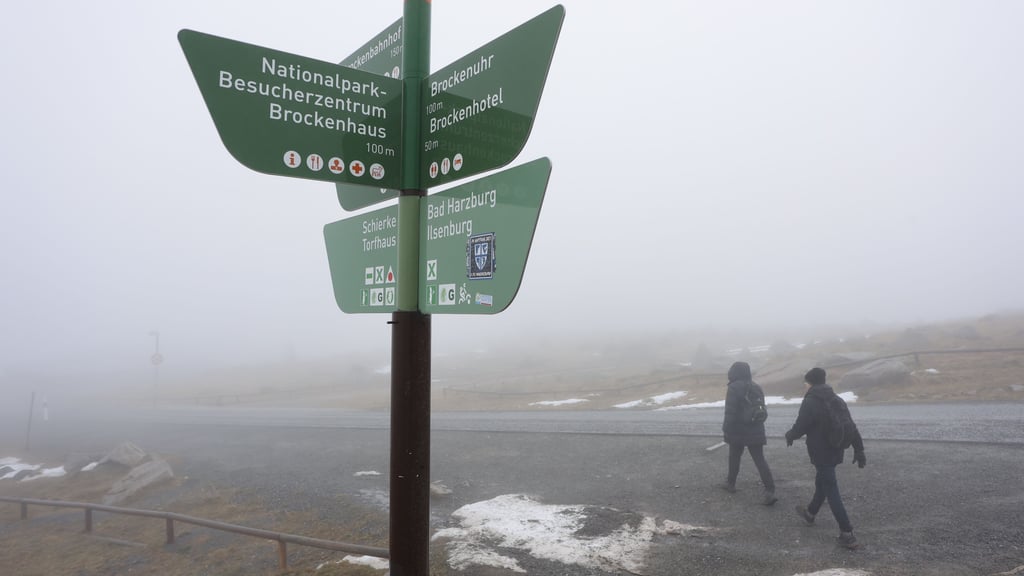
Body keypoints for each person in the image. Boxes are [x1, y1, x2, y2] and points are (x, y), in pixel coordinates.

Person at [785, 367, 866, 550]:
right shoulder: (836, 399)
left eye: (805, 383)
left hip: (821, 452)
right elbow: (851, 426)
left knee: (830, 487)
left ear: (810, 383)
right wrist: (859, 450)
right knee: (823, 481)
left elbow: (800, 426)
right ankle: (811, 513)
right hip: (836, 449)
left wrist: (790, 435)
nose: (804, 387)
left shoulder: (811, 402)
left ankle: (847, 533)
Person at [720, 361, 777, 505]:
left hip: (738, 429)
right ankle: (770, 490)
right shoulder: (756, 386)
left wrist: (726, 428)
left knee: (734, 456)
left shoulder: (733, 387)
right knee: (759, 459)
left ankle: (731, 484)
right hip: (756, 428)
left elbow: (730, 412)